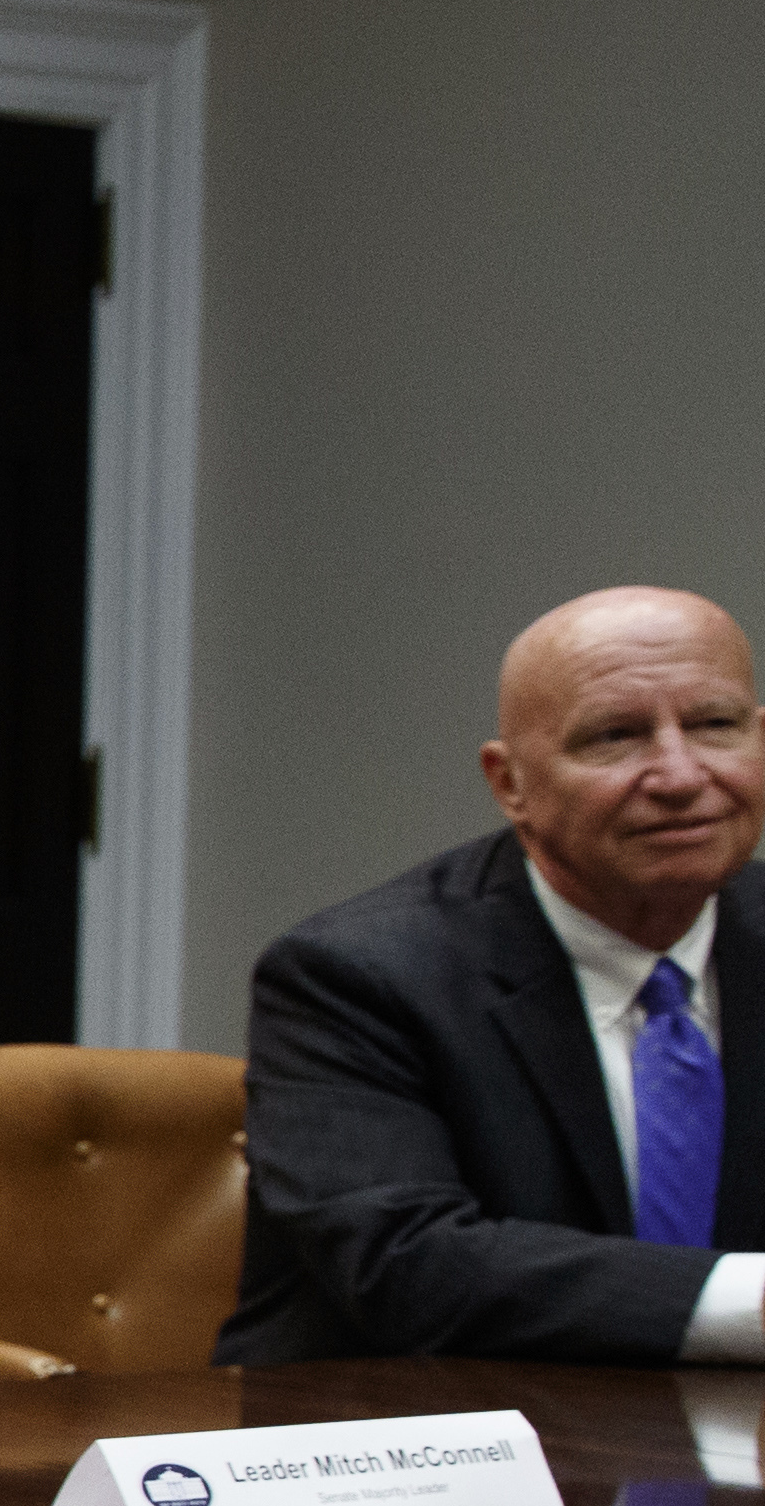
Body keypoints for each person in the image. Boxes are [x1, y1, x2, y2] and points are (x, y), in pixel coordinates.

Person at [223, 586, 765, 1367]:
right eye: (614, 737)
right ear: (509, 783)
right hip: (408, 1448)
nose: (679, 775)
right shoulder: (353, 976)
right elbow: (407, 1266)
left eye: (714, 726)